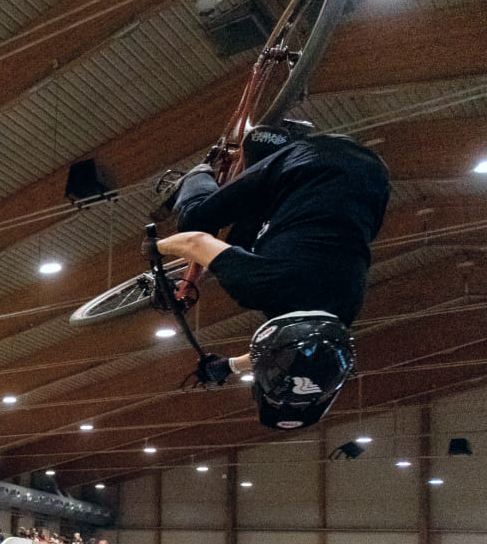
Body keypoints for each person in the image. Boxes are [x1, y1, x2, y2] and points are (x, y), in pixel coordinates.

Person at [160, 121, 389, 429]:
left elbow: (294, 349)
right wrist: (154, 250)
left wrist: (228, 366)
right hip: (305, 163)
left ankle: (272, 145)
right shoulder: (260, 288)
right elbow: (194, 241)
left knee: (245, 240)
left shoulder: (340, 315)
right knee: (195, 219)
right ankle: (197, 175)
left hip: (371, 179)